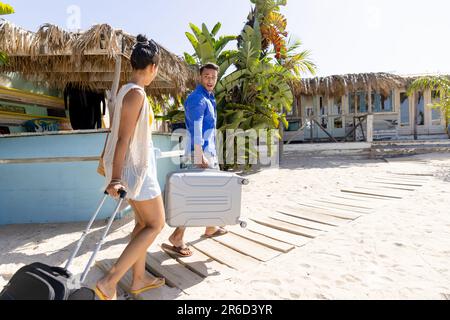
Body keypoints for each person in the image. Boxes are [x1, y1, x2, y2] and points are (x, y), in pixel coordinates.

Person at [94, 35, 166, 300]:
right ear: (152, 67)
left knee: (141, 224)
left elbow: (119, 134)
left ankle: (138, 279)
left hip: (133, 169)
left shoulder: (127, 90)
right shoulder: (135, 94)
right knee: (156, 224)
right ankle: (110, 280)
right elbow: (123, 137)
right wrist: (115, 179)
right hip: (136, 171)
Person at [163, 63, 228, 258]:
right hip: (200, 154)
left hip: (208, 153)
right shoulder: (197, 99)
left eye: (213, 77)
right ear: (200, 77)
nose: (210, 80)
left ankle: (210, 227)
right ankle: (177, 236)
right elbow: (197, 128)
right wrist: (199, 155)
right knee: (195, 196)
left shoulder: (209, 98)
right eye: (206, 76)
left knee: (211, 192)